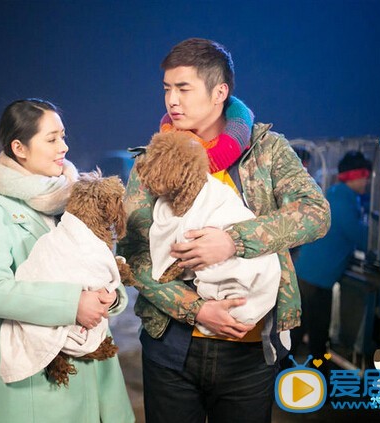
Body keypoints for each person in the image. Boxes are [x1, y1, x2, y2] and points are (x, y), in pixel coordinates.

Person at [118, 38, 331, 423]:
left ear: (219, 92)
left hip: (249, 351)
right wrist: (197, 310)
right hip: (171, 347)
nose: (171, 101)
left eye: (184, 88)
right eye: (167, 88)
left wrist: (233, 240)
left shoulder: (266, 151)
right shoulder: (153, 161)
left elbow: (315, 213)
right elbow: (134, 254)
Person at [0, 98, 135, 423]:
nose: (64, 147)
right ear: (19, 148)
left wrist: (112, 296)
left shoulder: (72, 197)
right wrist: (72, 304)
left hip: (98, 375)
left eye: (63, 136)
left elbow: (97, 266)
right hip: (42, 385)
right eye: (51, 139)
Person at [291, 150, 371, 374]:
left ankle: (283, 374)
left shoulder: (337, 195)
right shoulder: (343, 202)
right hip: (316, 280)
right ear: (354, 177)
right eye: (364, 176)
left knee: (299, 331)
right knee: (317, 333)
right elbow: (361, 237)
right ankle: (319, 377)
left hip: (308, 274)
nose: (367, 182)